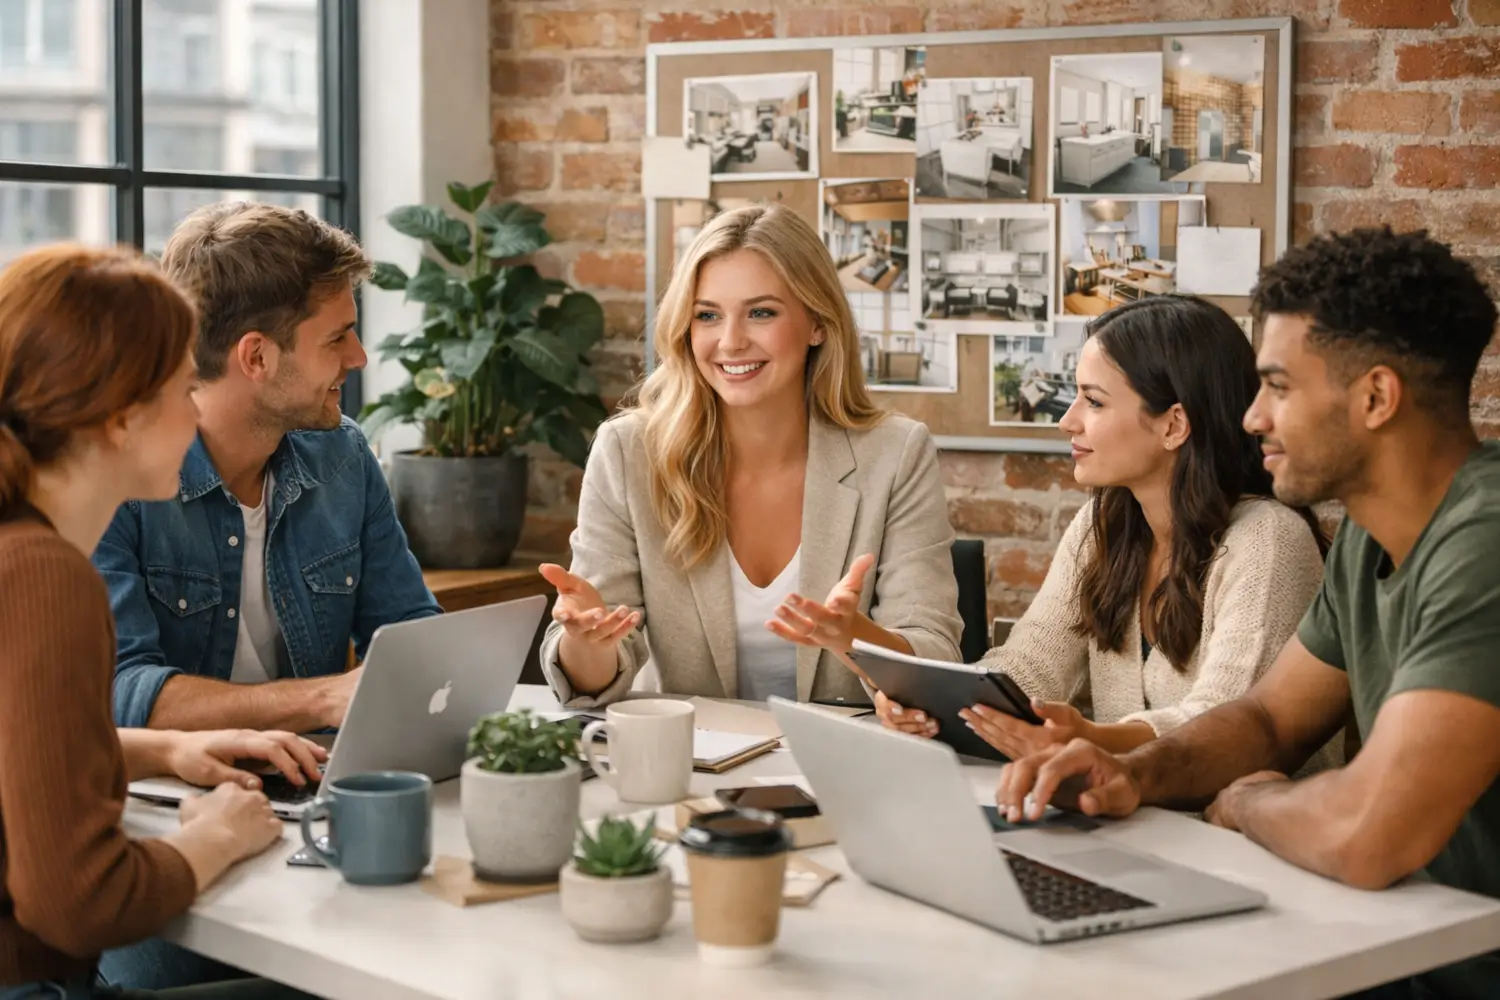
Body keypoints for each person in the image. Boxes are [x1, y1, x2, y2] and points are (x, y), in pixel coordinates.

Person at [994, 228, 1500, 999]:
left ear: (1375, 397)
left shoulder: (1486, 541)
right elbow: (1266, 719)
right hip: (1397, 938)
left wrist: (1252, 800)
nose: (1253, 417)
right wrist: (1132, 773)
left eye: (1279, 388)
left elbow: (1367, 833)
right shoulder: (1370, 536)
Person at [0, 244, 325, 1000]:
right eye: (184, 386)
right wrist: (218, 837)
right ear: (119, 420)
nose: (199, 408)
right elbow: (79, 901)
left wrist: (165, 748)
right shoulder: (45, 576)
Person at [538, 204, 962, 707]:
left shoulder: (895, 454)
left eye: (761, 312)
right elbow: (597, 678)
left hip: (840, 767)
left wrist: (857, 638)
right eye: (707, 316)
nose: (731, 341)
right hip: (687, 768)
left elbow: (934, 655)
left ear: (818, 324)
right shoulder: (628, 453)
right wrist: (587, 643)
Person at [879, 296, 1333, 764]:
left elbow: (1224, 727)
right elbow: (1029, 669)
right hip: (1130, 820)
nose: (1066, 421)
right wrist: (934, 704)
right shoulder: (1103, 524)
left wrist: (1092, 738)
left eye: (1093, 401)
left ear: (1174, 425)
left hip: (1235, 830)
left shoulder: (1268, 541)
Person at [93, 201, 441, 737]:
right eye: (336, 337)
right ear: (256, 357)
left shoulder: (343, 457)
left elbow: (412, 634)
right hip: (174, 797)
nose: (358, 358)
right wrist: (321, 699)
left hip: (311, 783)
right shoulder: (116, 482)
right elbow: (121, 693)